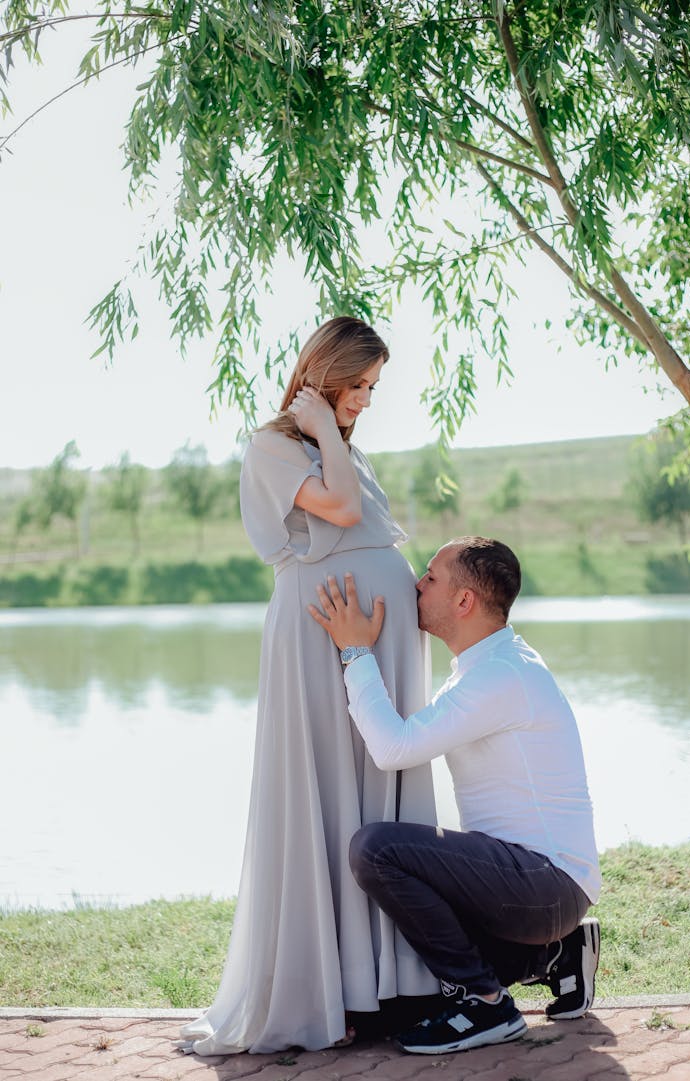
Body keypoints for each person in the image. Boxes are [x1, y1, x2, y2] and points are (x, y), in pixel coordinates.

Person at [179, 317, 439, 1056]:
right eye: (357, 385)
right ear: (322, 376)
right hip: (318, 634)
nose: (365, 400)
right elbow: (344, 512)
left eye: (372, 388)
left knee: (378, 782)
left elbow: (359, 513)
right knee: (326, 789)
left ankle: (390, 980)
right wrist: (323, 424)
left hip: (372, 635)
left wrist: (334, 431)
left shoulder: (342, 451)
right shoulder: (272, 447)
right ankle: (334, 985)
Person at [308, 536, 601, 1055]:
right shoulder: (486, 666)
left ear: (464, 601)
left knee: (375, 849)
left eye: (431, 577)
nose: (417, 585)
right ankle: (557, 954)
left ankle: (488, 1005)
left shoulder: (498, 676)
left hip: (542, 884)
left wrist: (354, 650)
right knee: (409, 1000)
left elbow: (392, 747)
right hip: (540, 890)